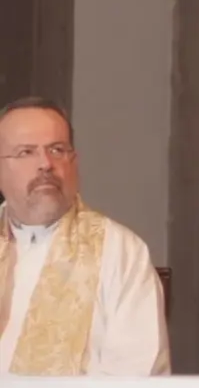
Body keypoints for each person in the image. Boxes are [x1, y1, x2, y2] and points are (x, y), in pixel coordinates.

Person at [0, 97, 170, 375]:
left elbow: (137, 372)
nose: (45, 163)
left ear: (74, 162)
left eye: (57, 149)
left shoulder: (121, 251)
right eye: (26, 152)